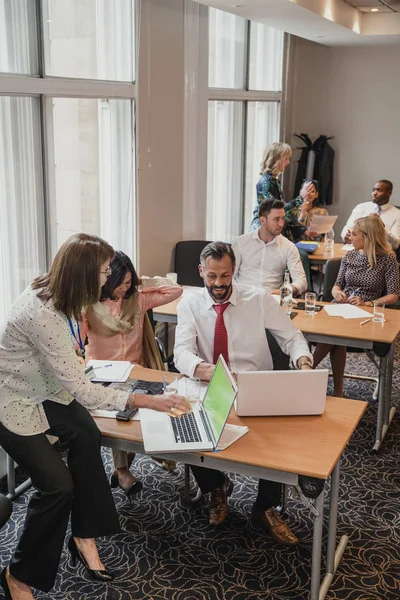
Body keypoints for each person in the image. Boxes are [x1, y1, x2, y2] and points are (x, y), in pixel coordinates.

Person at [0, 234, 189, 600]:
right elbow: (85, 392)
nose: (109, 276)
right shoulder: (43, 316)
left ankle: (84, 535)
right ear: (84, 273)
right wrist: (149, 402)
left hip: (46, 387)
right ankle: (18, 574)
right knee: (58, 486)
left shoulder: (66, 293)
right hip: (13, 400)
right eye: (104, 270)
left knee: (88, 434)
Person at [174, 242, 314, 544]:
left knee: (275, 440)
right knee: (183, 430)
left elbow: (292, 337)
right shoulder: (190, 304)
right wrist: (206, 370)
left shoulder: (258, 299)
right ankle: (216, 487)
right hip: (210, 384)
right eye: (211, 277)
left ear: (234, 270)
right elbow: (181, 353)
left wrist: (303, 362)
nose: (219, 284)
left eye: (225, 276)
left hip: (255, 385)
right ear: (201, 272)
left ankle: (264, 508)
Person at [81, 251, 182, 499]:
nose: (124, 289)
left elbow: (174, 290)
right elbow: (76, 342)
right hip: (105, 375)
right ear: (107, 279)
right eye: (120, 283)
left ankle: (125, 468)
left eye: (128, 283)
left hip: (137, 368)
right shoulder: (90, 306)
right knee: (122, 415)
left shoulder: (137, 300)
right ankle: (123, 470)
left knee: (148, 411)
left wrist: (140, 282)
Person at [314, 216, 399, 397]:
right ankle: (337, 391)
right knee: (336, 334)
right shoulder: (350, 255)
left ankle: (305, 370)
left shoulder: (388, 259)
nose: (350, 237)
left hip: (367, 313)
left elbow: (394, 295)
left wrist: (368, 303)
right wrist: (337, 292)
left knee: (335, 335)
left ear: (368, 237)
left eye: (354, 234)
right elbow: (337, 285)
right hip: (341, 307)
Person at [233, 198, 307, 296]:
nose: (281, 224)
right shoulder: (240, 243)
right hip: (242, 296)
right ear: (262, 220)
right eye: (276, 219)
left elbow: (301, 281)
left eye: (283, 218)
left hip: (272, 298)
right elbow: (229, 276)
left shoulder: (289, 247)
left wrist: (284, 291)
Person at [250, 142, 314, 232]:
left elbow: (282, 214)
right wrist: (301, 198)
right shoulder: (266, 182)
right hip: (263, 236)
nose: (288, 162)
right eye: (286, 159)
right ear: (277, 160)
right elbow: (277, 212)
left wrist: (304, 230)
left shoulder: (274, 181)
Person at [341, 180, 400, 249]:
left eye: (379, 190)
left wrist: (381, 226)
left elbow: (396, 244)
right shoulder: (361, 207)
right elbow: (346, 229)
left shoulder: (397, 214)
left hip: (379, 254)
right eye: (373, 190)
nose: (374, 193)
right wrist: (346, 236)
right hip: (353, 250)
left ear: (389, 193)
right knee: (333, 259)